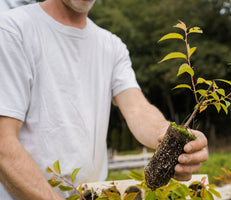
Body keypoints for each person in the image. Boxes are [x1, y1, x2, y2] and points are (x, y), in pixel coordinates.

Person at [0, 0, 208, 199]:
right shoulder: (12, 30)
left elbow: (136, 108)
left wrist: (167, 137)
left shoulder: (111, 45)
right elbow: (3, 143)